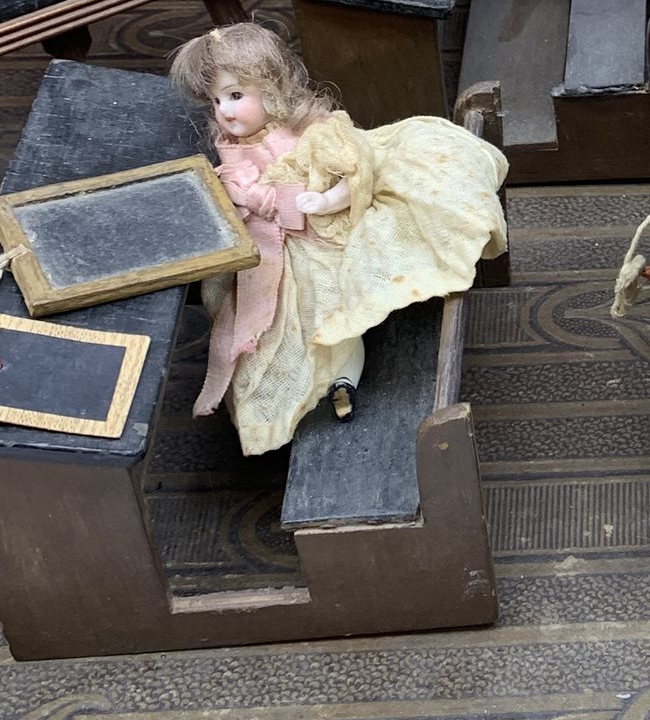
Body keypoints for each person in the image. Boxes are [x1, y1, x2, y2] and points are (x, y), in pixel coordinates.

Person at [168, 23, 508, 455]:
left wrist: (325, 199)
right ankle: (322, 382)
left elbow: (353, 175)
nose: (225, 111)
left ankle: (342, 376)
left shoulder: (312, 132)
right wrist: (244, 200)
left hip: (323, 231)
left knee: (327, 305)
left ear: (271, 87)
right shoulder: (231, 147)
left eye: (236, 95)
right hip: (274, 243)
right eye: (217, 100)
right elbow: (243, 192)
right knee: (257, 320)